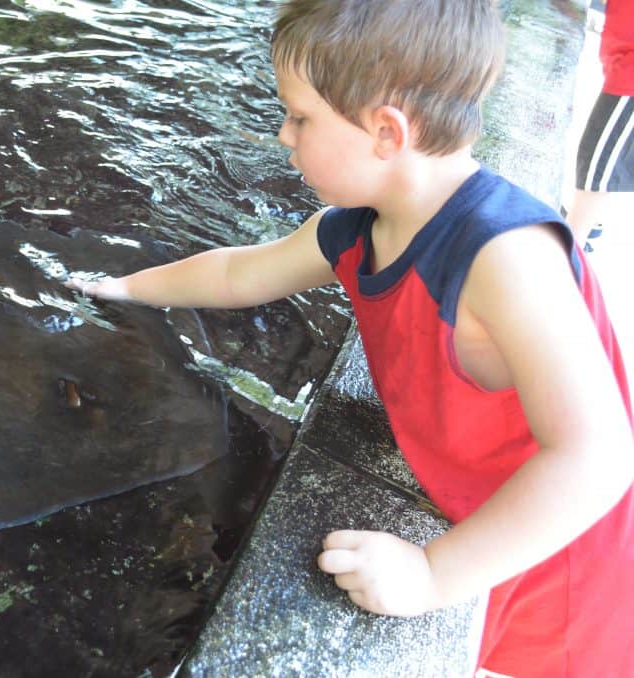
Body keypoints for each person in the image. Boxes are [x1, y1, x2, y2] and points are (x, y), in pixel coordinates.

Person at [68, 0, 634, 675]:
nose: (283, 134)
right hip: (476, 503)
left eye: (300, 117)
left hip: (563, 559)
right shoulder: (360, 226)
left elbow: (595, 460)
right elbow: (237, 273)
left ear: (386, 132)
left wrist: (434, 575)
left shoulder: (505, 256)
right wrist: (123, 289)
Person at [568, 0, 634, 250]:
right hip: (622, 64)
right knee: (602, 161)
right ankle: (585, 223)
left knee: (598, 163)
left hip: (629, 75)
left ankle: (571, 249)